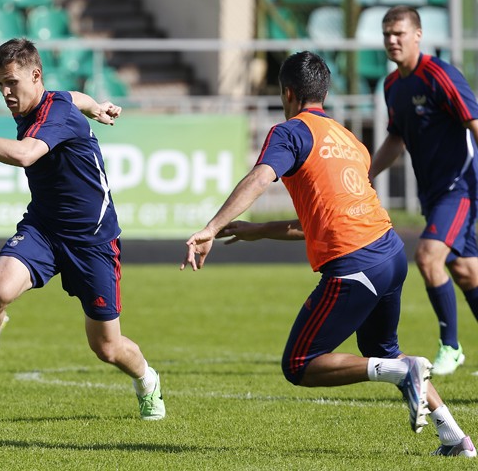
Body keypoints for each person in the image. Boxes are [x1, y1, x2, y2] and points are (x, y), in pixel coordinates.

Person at [182, 51, 474, 456]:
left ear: (287, 93)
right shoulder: (348, 139)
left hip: (356, 264)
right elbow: (321, 220)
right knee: (384, 351)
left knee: (300, 364)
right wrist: (259, 231)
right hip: (390, 254)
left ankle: (400, 372)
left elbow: (259, 178)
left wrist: (210, 228)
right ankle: (456, 438)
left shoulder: (290, 132)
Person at [0, 38, 165, 421]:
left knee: (106, 348)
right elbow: (74, 96)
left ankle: (147, 380)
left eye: (11, 83)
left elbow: (25, 154)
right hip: (43, 230)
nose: (5, 92)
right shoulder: (50, 100)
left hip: (92, 242)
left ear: (34, 75)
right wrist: (98, 107)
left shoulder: (55, 114)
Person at [369, 5, 478, 376]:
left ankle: (451, 345)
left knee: (429, 257)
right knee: (465, 271)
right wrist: (364, 173)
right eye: (386, 34)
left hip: (460, 186)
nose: (392, 40)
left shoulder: (441, 75)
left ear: (418, 35)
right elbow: (396, 138)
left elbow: (474, 122)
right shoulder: (391, 86)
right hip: (432, 193)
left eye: (399, 33)